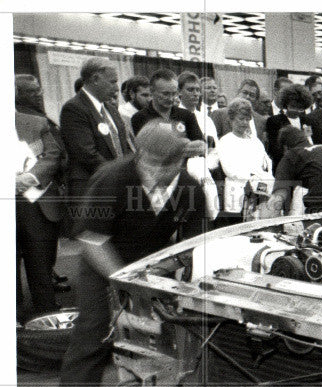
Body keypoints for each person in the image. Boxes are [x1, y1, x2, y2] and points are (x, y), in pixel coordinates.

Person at [51, 123, 212, 387]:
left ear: (181, 161)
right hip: (104, 261)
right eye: (150, 165)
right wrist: (125, 283)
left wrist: (178, 282)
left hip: (152, 265)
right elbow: (92, 240)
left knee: (167, 333)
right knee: (94, 333)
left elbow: (195, 244)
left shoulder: (192, 189)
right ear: (138, 156)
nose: (156, 173)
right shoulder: (111, 179)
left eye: (167, 166)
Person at [60, 57, 134, 206]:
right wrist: (118, 176)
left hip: (116, 186)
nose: (116, 88)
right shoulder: (74, 108)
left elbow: (123, 146)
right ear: (95, 79)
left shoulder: (111, 109)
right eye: (112, 82)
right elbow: (86, 153)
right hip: (90, 188)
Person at [16, 104, 66, 321]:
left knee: (41, 260)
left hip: (35, 200)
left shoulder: (35, 123)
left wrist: (30, 178)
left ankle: (47, 313)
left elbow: (53, 155)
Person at [216, 98, 273, 221]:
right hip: (236, 192)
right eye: (241, 119)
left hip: (259, 190)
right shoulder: (225, 141)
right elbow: (230, 170)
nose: (244, 122)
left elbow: (265, 164)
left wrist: (261, 179)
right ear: (231, 120)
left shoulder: (255, 141)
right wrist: (251, 178)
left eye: (247, 119)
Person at [131, 69, 204, 145]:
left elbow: (200, 145)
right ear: (152, 91)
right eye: (165, 94)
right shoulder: (139, 118)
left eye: (174, 94)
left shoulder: (187, 116)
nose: (170, 98)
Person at [265, 83, 315, 168]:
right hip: (285, 165)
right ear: (286, 104)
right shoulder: (274, 121)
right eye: (293, 107)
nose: (296, 111)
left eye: (300, 108)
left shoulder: (308, 121)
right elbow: (274, 149)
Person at [176, 70, 218, 146]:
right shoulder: (173, 117)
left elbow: (215, 147)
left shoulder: (206, 119)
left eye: (198, 90)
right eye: (190, 90)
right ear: (179, 91)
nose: (195, 94)